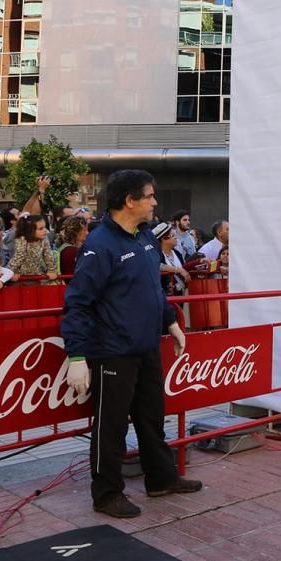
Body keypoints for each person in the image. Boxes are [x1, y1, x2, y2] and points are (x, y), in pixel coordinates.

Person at [61, 169, 201, 519]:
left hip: (147, 345)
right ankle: (107, 495)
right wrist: (77, 355)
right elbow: (77, 302)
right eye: (150, 195)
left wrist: (170, 322)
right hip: (113, 350)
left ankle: (161, 478)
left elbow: (152, 288)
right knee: (111, 427)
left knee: (152, 417)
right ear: (130, 201)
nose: (155, 202)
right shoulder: (98, 246)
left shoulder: (145, 238)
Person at [9, 214, 58, 282]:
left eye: (45, 227)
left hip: (36, 275)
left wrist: (51, 270)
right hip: (20, 276)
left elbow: (48, 255)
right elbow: (18, 257)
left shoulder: (44, 239)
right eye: (40, 229)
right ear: (30, 230)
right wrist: (11, 272)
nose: (45, 231)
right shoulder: (23, 240)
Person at [158, 228, 190, 296]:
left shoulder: (178, 253)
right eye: (173, 235)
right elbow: (158, 265)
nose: (176, 238)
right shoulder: (157, 255)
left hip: (181, 292)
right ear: (164, 239)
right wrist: (178, 270)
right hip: (167, 296)